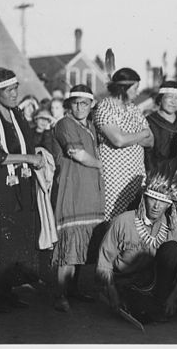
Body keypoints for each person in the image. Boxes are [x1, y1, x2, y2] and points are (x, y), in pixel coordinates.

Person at [0, 60, 45, 312]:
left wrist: (35, 159)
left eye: (16, 88)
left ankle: (8, 291)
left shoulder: (16, 114)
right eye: (9, 90)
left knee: (21, 237)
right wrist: (27, 159)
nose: (14, 94)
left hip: (21, 185)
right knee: (2, 239)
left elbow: (28, 145)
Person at [97, 161, 177, 324]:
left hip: (155, 283)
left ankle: (159, 302)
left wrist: (174, 296)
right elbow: (104, 263)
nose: (157, 206)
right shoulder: (123, 221)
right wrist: (112, 292)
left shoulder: (171, 226)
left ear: (169, 205)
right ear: (144, 197)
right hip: (126, 283)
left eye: (163, 201)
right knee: (143, 311)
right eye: (152, 199)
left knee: (173, 250)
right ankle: (144, 306)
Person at [51, 85, 105, 312]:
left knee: (83, 244)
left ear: (91, 105)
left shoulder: (92, 126)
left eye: (84, 103)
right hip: (71, 191)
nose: (80, 107)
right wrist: (104, 165)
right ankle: (60, 295)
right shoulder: (65, 124)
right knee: (69, 247)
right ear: (69, 104)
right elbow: (77, 154)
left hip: (91, 192)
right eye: (75, 102)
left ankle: (73, 290)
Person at [94, 50, 153, 221]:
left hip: (136, 175)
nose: (137, 92)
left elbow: (151, 141)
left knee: (135, 220)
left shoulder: (134, 109)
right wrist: (140, 134)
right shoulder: (104, 108)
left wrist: (130, 136)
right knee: (114, 221)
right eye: (135, 88)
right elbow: (118, 140)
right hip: (114, 178)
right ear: (123, 88)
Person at [145, 80, 177, 171]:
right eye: (170, 97)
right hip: (157, 174)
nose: (173, 102)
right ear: (160, 99)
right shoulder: (148, 122)